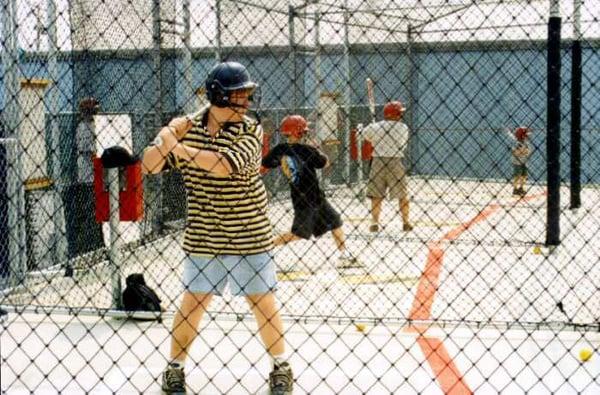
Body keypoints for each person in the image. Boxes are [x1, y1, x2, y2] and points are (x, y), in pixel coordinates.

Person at [142, 61, 293, 395]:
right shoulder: (187, 128)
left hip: (249, 235)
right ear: (220, 97)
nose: (247, 102)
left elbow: (222, 166)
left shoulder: (250, 130)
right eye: (240, 95)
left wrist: (173, 143)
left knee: (262, 305)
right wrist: (167, 133)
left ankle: (281, 367)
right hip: (203, 236)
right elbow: (149, 166)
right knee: (192, 304)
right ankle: (174, 368)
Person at [261, 115, 361, 270]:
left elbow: (267, 162)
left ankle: (344, 255)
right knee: (298, 234)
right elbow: (324, 163)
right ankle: (263, 249)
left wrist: (283, 160)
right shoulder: (308, 150)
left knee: (335, 221)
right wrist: (317, 149)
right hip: (309, 198)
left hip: (305, 197)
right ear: (299, 132)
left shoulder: (280, 149)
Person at [360, 100, 413, 233]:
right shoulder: (403, 128)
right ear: (395, 114)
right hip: (395, 161)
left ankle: (374, 222)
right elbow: (402, 145)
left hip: (378, 162)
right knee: (402, 195)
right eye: (400, 113)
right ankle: (406, 222)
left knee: (376, 195)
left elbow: (362, 136)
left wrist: (372, 129)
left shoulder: (376, 127)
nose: (401, 115)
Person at [511, 126, 531, 196]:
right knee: (517, 175)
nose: (527, 136)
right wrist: (520, 151)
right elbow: (514, 152)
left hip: (524, 161)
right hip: (517, 162)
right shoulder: (517, 144)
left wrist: (524, 151)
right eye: (525, 135)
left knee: (524, 175)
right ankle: (515, 189)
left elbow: (529, 151)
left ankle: (521, 188)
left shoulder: (525, 143)